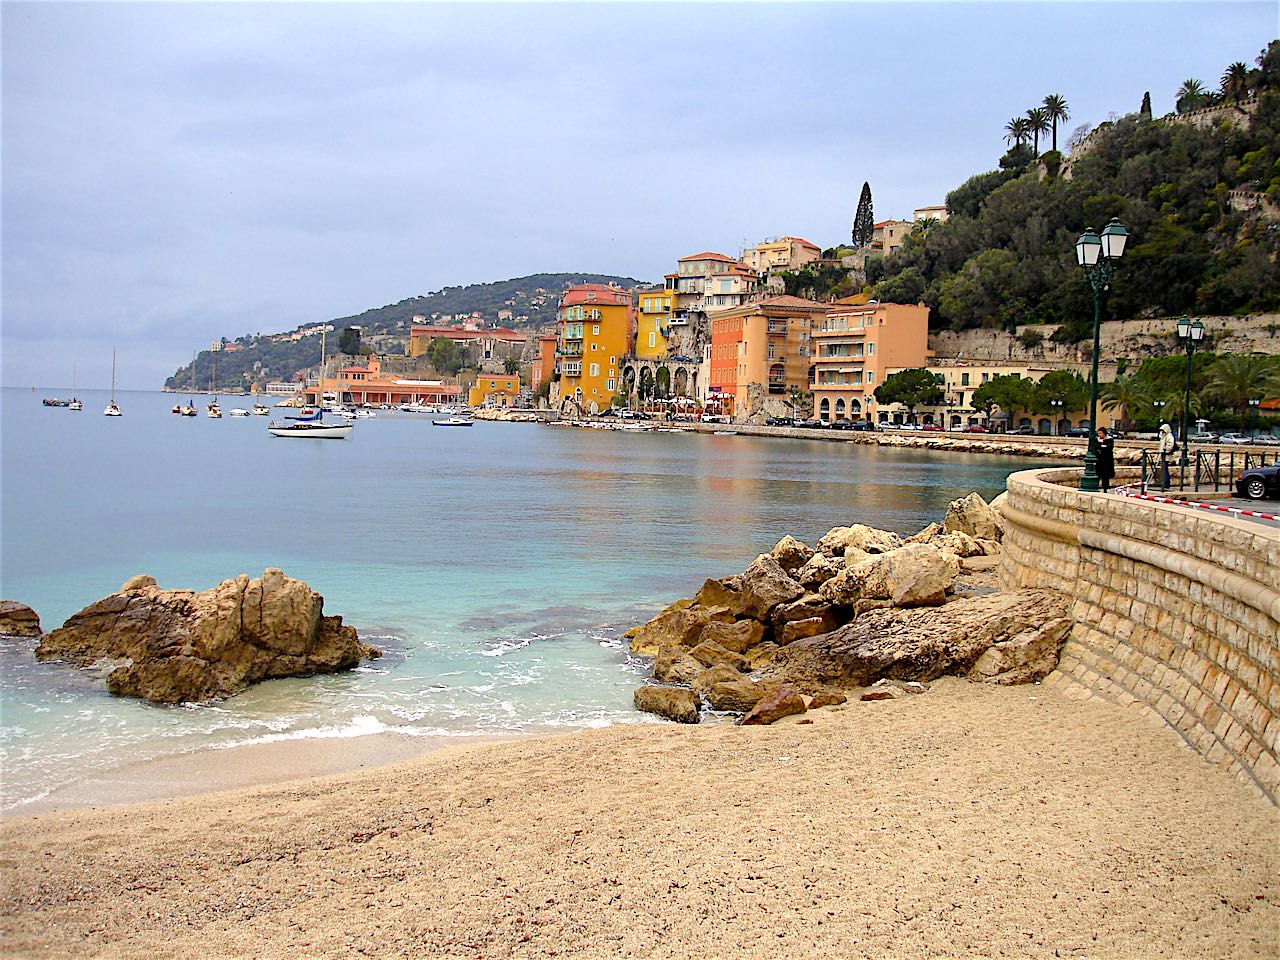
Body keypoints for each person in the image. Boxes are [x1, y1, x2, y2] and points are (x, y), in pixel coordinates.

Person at [1095, 427, 1115, 492]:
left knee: (1106, 475)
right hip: (1099, 460)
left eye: (1100, 433)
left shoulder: (1109, 439)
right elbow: (1096, 447)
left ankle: (1105, 488)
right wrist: (1103, 447)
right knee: (1098, 474)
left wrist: (1101, 447)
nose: (1099, 435)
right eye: (1098, 433)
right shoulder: (1097, 439)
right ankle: (1096, 486)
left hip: (1107, 460)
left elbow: (1109, 447)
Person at [1157, 421, 1174, 490]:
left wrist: (1165, 451)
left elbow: (1170, 445)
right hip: (1162, 455)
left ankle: (1166, 483)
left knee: (1165, 470)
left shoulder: (1169, 436)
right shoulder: (1164, 436)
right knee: (1163, 469)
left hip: (1166, 456)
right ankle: (1163, 482)